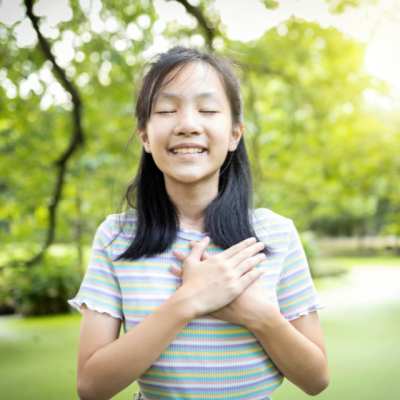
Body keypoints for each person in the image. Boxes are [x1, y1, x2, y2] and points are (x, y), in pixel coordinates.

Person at [69, 46, 329, 400]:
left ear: (235, 134)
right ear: (145, 135)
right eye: (166, 110)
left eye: (207, 109)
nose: (188, 125)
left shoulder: (275, 234)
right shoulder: (116, 237)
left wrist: (259, 315)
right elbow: (91, 387)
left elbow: (316, 380)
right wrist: (190, 299)